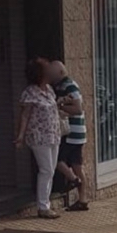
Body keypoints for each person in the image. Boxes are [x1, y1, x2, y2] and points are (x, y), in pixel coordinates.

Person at [16, 57, 63, 219]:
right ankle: (43, 206)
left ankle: (45, 203)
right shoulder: (30, 92)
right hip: (38, 135)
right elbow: (25, 115)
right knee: (46, 169)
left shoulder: (49, 90)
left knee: (51, 169)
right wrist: (20, 135)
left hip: (53, 134)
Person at [49, 61, 90, 212]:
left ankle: (73, 180)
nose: (50, 75)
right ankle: (82, 199)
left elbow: (78, 109)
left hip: (71, 132)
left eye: (52, 72)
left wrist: (58, 106)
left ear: (60, 72)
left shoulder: (69, 86)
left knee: (56, 159)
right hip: (76, 133)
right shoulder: (61, 86)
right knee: (77, 165)